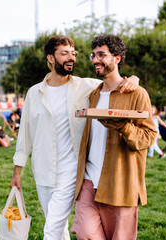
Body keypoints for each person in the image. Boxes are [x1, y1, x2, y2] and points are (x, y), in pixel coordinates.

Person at [9, 35, 139, 240]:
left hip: (71, 170)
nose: (71, 58)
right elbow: (25, 134)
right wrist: (17, 171)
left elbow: (114, 80)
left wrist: (133, 78)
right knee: (57, 224)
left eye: (73, 53)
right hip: (43, 170)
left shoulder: (84, 86)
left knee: (51, 227)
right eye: (64, 53)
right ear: (50, 58)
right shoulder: (34, 93)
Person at [71, 34, 157, 239]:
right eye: (94, 55)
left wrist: (123, 127)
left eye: (102, 55)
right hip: (89, 180)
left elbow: (148, 137)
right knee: (85, 233)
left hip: (121, 182)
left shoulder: (137, 94)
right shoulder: (93, 93)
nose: (95, 60)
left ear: (117, 58)